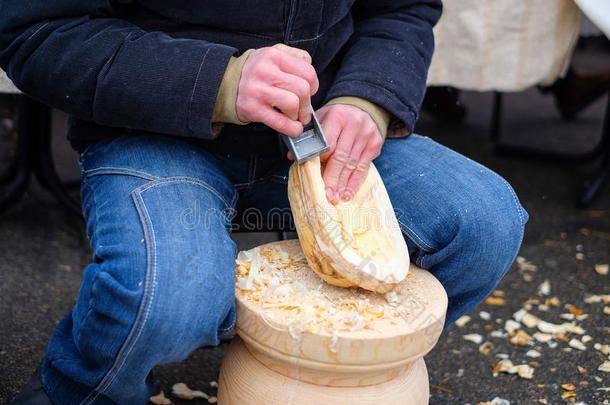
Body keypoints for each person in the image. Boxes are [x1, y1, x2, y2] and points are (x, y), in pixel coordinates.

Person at [0, 1, 528, 403]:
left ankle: (298, 358)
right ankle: (80, 389)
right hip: (153, 126)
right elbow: (41, 29)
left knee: (485, 224)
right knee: (168, 298)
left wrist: (368, 98)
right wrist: (219, 82)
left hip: (320, 128)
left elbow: (401, 8)